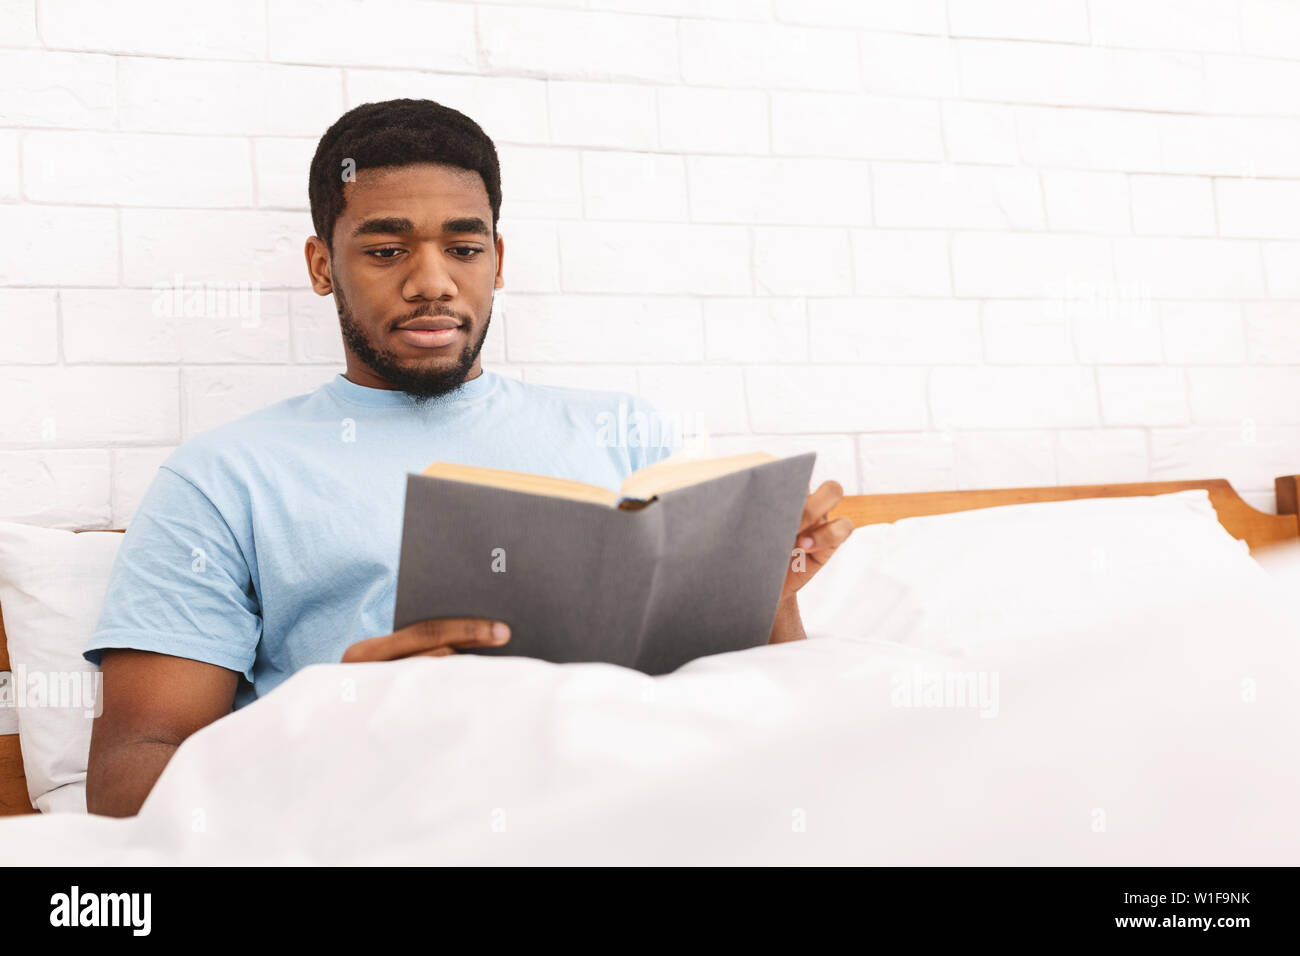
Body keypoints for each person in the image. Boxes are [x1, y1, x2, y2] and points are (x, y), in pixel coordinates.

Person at [83, 99, 854, 817]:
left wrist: (771, 591)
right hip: (396, 821)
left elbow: (756, 707)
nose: (431, 282)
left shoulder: (630, 432)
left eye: (463, 247)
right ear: (322, 268)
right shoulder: (224, 478)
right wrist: (332, 724)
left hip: (633, 803)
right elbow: (126, 780)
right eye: (386, 250)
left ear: (498, 258)